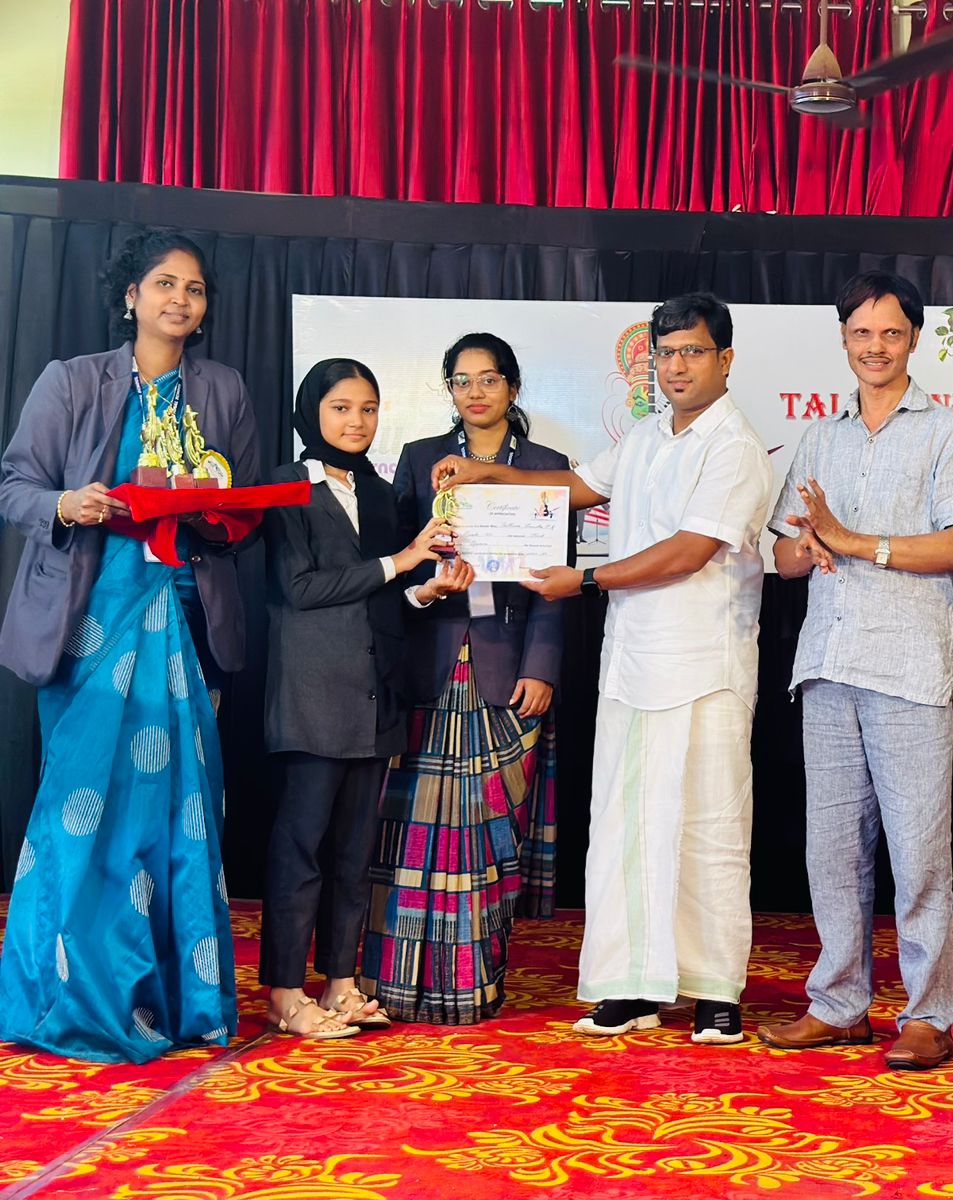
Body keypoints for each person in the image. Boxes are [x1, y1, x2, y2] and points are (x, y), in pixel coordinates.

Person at [431, 293, 772, 1045]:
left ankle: (715, 991)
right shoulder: (647, 434)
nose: (677, 367)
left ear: (724, 359)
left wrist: (584, 581)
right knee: (624, 828)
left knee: (709, 829)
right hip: (631, 661)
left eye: (692, 352)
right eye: (666, 354)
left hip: (705, 664)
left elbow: (689, 551)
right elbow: (579, 488)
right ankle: (631, 985)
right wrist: (485, 475)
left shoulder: (734, 445)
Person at [0, 230, 260, 1061]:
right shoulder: (73, 380)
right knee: (82, 813)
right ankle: (65, 999)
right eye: (165, 284)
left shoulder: (221, 391)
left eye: (195, 288)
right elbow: (15, 485)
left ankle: (180, 1004)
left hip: (183, 619)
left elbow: (244, 515)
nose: (180, 299)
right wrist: (66, 505)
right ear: (130, 297)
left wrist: (217, 515)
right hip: (88, 626)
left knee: (179, 815)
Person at [755, 271, 953, 1072]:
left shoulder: (947, 433)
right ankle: (839, 1004)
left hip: (911, 666)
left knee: (918, 856)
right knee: (831, 852)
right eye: (862, 333)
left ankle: (927, 1015)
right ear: (844, 339)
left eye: (891, 333)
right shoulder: (822, 436)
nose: (876, 347)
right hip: (827, 663)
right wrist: (805, 545)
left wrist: (852, 541)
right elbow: (784, 553)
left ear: (915, 339)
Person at [362, 333, 566, 1024]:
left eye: (488, 379)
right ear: (449, 390)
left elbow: (556, 583)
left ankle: (472, 984)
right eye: (461, 380)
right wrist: (427, 582)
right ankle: (398, 985)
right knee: (411, 834)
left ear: (512, 387)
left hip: (508, 669)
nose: (475, 392)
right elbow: (397, 560)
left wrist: (542, 665)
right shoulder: (421, 459)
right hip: (431, 659)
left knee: (490, 837)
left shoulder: (545, 467)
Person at [259, 359, 457, 1039]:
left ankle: (341, 984)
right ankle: (286, 993)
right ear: (311, 412)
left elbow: (386, 593)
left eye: (368, 409)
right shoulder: (285, 486)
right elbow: (299, 588)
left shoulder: (376, 490)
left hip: (376, 694)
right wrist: (401, 561)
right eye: (341, 408)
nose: (356, 421)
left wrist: (424, 589)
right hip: (312, 694)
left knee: (354, 851)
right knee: (301, 850)